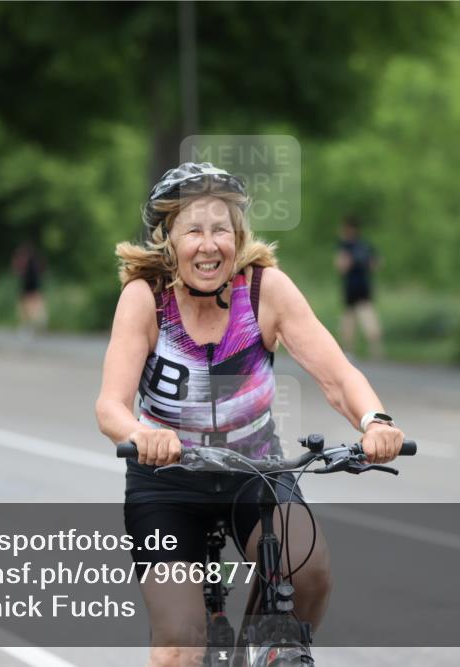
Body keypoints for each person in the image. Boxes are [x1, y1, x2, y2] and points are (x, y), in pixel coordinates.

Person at [95, 162, 405, 667]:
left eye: (222, 229)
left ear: (238, 236)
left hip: (254, 470)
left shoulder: (265, 291)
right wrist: (140, 434)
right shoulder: (145, 298)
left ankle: (261, 650)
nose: (209, 245)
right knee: (178, 645)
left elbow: (337, 376)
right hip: (167, 481)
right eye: (194, 230)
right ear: (168, 239)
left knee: (309, 571)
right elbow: (110, 406)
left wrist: (375, 420)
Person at [335, 216, 382, 358]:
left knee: (349, 320)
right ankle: (375, 348)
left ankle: (348, 349)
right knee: (368, 316)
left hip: (351, 287)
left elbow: (341, 266)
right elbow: (376, 264)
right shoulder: (365, 246)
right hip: (365, 286)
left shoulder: (345, 246)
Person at [12, 240, 46, 333]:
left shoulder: (27, 263)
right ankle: (36, 325)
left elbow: (18, 271)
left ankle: (29, 326)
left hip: (29, 288)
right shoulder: (35, 262)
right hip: (33, 288)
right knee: (34, 308)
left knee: (26, 309)